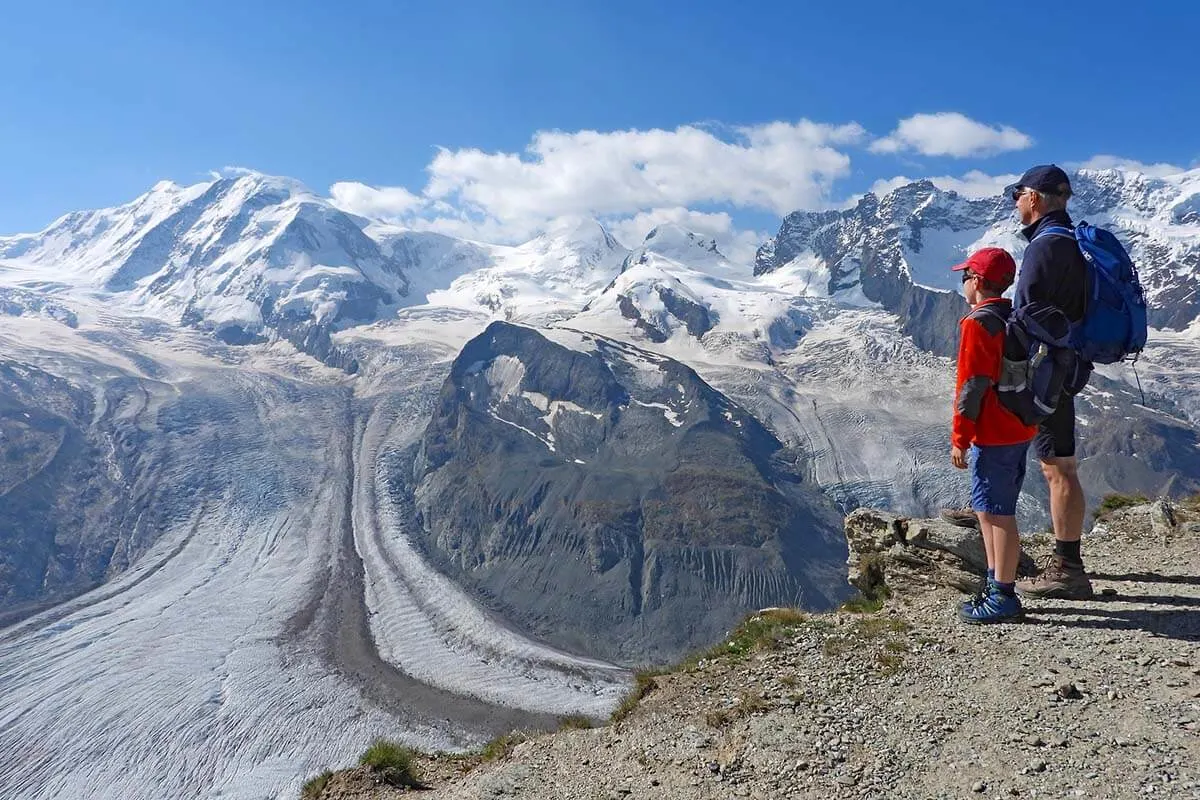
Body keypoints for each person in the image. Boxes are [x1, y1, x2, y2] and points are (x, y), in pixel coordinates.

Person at [1006, 165, 1095, 601]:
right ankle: (1068, 562)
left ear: (1035, 198)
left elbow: (1027, 313)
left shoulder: (1044, 247)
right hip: (1070, 363)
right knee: (1062, 464)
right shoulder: (1073, 241)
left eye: (1017, 195)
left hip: (1048, 371)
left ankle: (1067, 568)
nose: (1015, 203)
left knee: (1057, 467)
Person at [950, 248, 1038, 623]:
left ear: (979, 281)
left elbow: (972, 386)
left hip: (994, 431)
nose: (963, 284)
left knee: (996, 513)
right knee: (991, 510)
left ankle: (1002, 595)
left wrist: (960, 438)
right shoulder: (1010, 316)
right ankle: (994, 583)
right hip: (1018, 425)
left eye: (965, 276)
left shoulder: (977, 323)